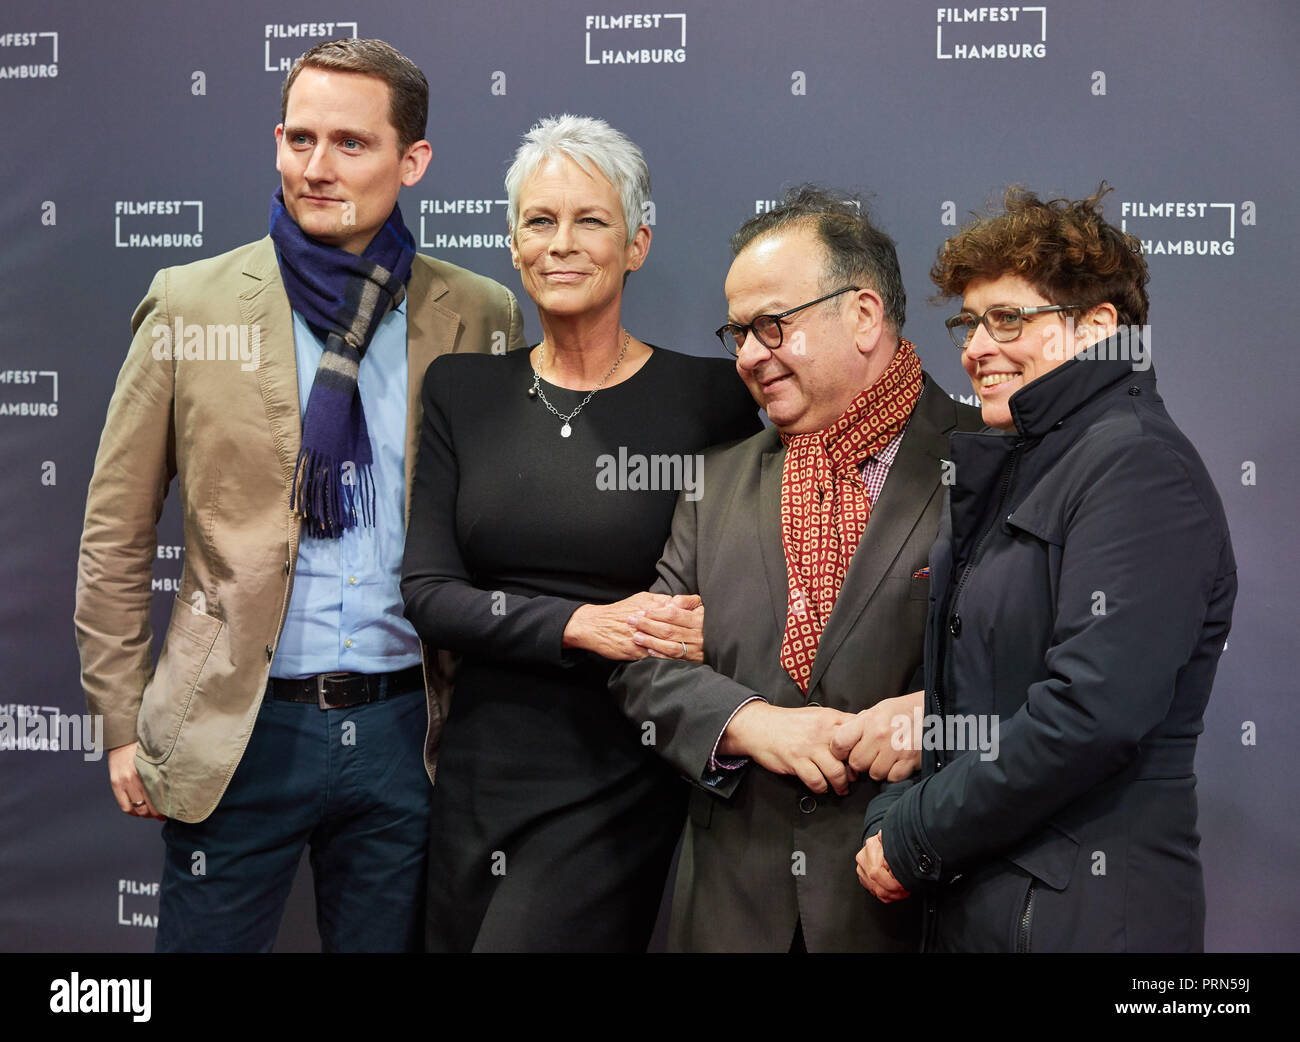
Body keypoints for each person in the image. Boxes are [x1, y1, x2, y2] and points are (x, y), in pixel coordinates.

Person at [74, 38, 525, 952]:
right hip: (236, 732)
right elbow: (116, 533)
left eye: (351, 145)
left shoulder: (478, 313)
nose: (315, 169)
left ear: (414, 161)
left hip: (412, 731)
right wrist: (120, 723)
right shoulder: (189, 304)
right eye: (298, 139)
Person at [400, 115, 761, 952]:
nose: (562, 243)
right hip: (477, 768)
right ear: (515, 246)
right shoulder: (464, 391)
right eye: (540, 221)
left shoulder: (712, 397)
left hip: (623, 762)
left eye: (590, 221)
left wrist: (725, 622)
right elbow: (428, 593)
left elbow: (773, 548)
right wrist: (579, 623)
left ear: (636, 244)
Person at [857, 185, 1237, 952]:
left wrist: (914, 835)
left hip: (1080, 919)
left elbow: (1087, 716)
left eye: (1009, 319)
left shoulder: (1137, 465)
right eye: (970, 322)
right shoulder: (1033, 462)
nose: (975, 346)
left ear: (1098, 329)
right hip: (995, 900)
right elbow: (986, 690)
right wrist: (893, 812)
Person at [609, 186, 982, 952]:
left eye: (772, 326)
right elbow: (645, 662)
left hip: (913, 899)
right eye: (738, 333)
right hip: (727, 906)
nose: (748, 356)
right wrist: (750, 724)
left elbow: (1057, 673)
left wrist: (939, 711)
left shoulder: (986, 465)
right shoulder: (715, 483)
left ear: (864, 316)